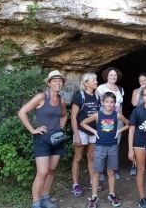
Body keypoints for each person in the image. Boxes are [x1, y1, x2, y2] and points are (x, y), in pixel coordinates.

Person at [18, 70, 68, 208]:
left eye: (60, 81)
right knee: (42, 172)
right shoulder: (41, 97)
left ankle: (45, 198)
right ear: (49, 83)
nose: (58, 83)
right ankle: (36, 202)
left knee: (51, 170)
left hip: (57, 139)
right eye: (55, 81)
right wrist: (33, 129)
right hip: (42, 139)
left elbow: (64, 115)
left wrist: (61, 127)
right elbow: (22, 112)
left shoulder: (61, 101)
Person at [81, 92, 129, 208]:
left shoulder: (117, 115)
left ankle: (112, 194)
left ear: (114, 103)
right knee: (96, 172)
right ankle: (94, 197)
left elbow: (129, 123)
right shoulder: (98, 115)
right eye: (107, 102)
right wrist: (94, 131)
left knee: (111, 172)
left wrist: (119, 131)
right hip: (100, 146)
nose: (109, 104)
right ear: (102, 102)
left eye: (112, 102)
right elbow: (83, 123)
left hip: (112, 146)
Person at [71, 73, 100, 197]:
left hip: (94, 131)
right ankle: (75, 184)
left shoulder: (98, 97)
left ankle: (92, 181)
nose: (96, 82)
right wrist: (76, 134)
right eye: (93, 80)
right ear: (86, 82)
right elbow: (73, 116)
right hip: (81, 131)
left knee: (91, 157)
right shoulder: (79, 96)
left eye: (96, 80)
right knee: (78, 157)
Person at [96, 67, 124, 180]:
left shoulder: (120, 89)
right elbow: (97, 105)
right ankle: (101, 171)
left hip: (117, 120)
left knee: (115, 145)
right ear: (106, 76)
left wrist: (120, 120)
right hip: (104, 121)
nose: (113, 77)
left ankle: (112, 169)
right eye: (111, 75)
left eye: (115, 75)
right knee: (103, 145)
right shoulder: (101, 88)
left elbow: (120, 106)